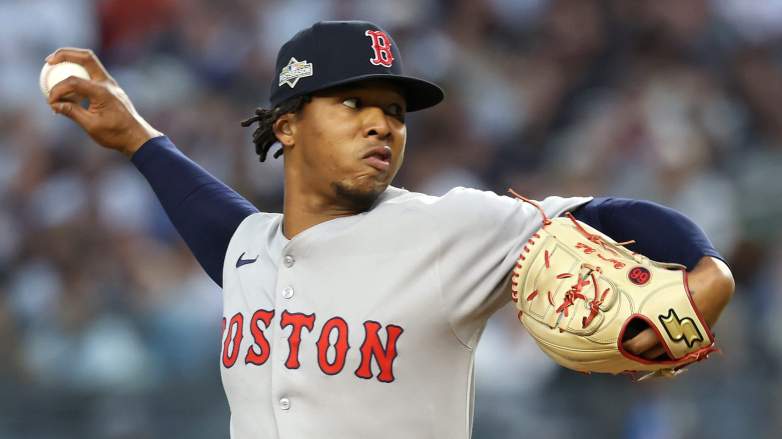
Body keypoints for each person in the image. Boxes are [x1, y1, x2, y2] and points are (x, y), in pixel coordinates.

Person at [45, 20, 734, 439]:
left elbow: (601, 213)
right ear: (287, 126)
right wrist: (136, 136)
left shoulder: (451, 229)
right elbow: (220, 227)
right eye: (354, 102)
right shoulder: (252, 251)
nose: (383, 124)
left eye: (396, 112)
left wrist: (708, 271)